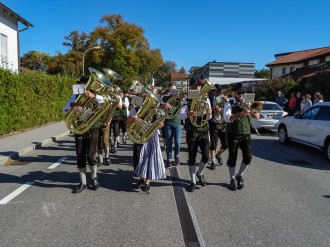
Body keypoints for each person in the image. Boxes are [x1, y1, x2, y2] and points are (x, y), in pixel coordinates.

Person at [62, 76, 104, 193]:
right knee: (80, 156)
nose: (83, 87)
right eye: (81, 85)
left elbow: (106, 100)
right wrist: (72, 106)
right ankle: (83, 182)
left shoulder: (96, 95)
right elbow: (63, 110)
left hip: (93, 128)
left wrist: (94, 96)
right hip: (79, 128)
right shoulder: (74, 97)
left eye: (86, 85)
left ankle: (94, 177)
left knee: (91, 155)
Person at [224, 82, 259, 191]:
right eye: (239, 93)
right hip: (232, 133)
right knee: (232, 157)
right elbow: (227, 118)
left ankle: (239, 175)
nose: (241, 95)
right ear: (235, 93)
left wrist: (250, 109)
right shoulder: (229, 103)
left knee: (248, 156)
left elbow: (257, 116)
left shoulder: (248, 103)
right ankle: (232, 178)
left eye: (243, 93)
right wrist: (240, 114)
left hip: (245, 133)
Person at [179, 78, 212, 192]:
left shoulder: (206, 99)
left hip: (203, 131)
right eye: (192, 87)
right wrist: (188, 113)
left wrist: (209, 112)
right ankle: (193, 181)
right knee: (192, 158)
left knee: (206, 157)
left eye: (197, 87)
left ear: (200, 88)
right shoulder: (186, 100)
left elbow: (210, 117)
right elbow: (180, 116)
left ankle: (200, 173)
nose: (195, 88)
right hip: (192, 131)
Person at [128, 94, 166, 192]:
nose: (146, 102)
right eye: (145, 99)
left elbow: (160, 123)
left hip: (151, 137)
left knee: (149, 158)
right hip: (138, 136)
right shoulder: (135, 110)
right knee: (138, 158)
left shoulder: (155, 111)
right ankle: (142, 178)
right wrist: (133, 118)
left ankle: (147, 181)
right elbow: (126, 121)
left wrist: (161, 125)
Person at [161, 82, 183, 167]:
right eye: (171, 89)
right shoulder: (165, 98)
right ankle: (169, 160)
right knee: (169, 143)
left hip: (177, 122)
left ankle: (176, 155)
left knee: (177, 142)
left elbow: (182, 109)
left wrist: (181, 99)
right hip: (168, 122)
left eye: (174, 89)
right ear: (169, 89)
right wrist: (164, 105)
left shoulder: (179, 98)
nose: (172, 90)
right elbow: (159, 108)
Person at [208, 84, 228, 170]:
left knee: (226, 144)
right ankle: (213, 161)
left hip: (223, 123)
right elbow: (207, 111)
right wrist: (213, 109)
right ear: (213, 92)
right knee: (213, 144)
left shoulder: (224, 99)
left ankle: (218, 154)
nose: (219, 92)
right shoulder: (210, 100)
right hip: (213, 123)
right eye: (217, 91)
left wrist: (223, 108)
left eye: (220, 91)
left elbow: (229, 111)